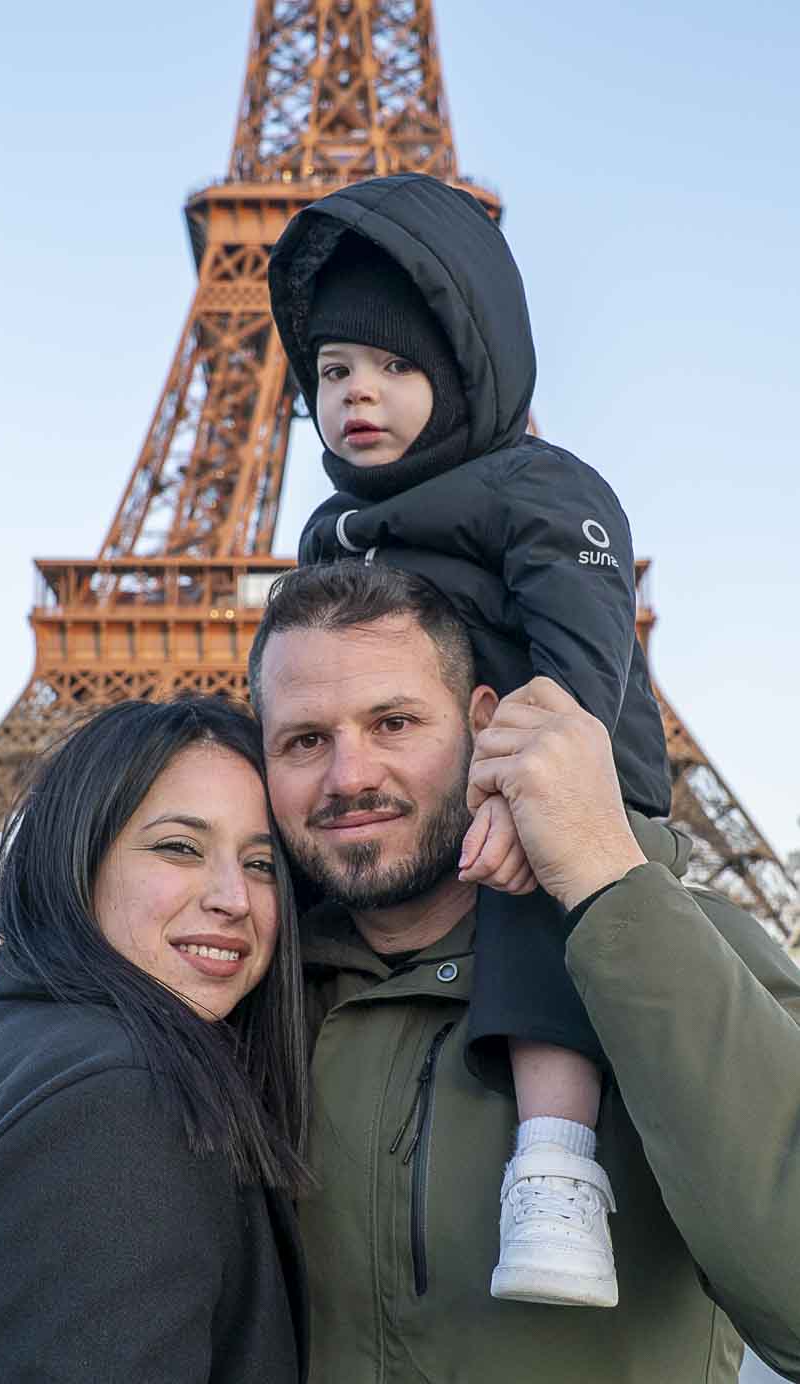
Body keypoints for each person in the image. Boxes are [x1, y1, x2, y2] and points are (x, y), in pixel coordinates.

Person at [267, 171, 672, 1308]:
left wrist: (531, 790)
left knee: (550, 908)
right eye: (335, 370)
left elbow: (585, 651)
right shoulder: (328, 528)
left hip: (562, 767)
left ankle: (552, 1167)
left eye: (396, 367)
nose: (359, 393)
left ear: (462, 375)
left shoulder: (535, 486)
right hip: (420, 776)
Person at [248, 559, 800, 1384]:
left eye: (394, 723)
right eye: (304, 739)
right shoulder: (243, 998)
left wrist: (610, 886)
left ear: (485, 722)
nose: (350, 776)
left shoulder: (680, 950)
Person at [0, 695, 309, 1383]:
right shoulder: (123, 1102)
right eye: (179, 847)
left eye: (261, 864)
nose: (234, 897)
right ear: (79, 861)